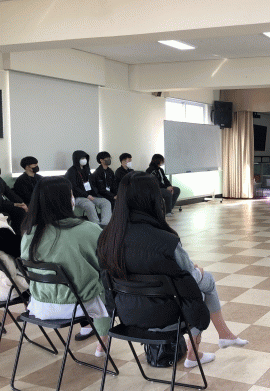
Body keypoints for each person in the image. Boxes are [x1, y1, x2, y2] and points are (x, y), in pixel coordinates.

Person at [97, 172, 247, 367]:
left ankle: (218, 339)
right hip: (166, 317)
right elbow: (189, 281)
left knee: (195, 285)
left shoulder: (106, 239)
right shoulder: (166, 241)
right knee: (204, 284)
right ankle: (199, 350)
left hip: (127, 315)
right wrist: (197, 272)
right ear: (154, 200)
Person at [20, 177, 110, 357]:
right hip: (79, 305)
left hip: (39, 306)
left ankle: (93, 331)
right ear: (65, 200)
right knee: (106, 282)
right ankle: (102, 341)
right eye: (71, 194)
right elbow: (107, 264)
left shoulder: (29, 233)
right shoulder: (88, 229)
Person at [65, 150, 112, 226]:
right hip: (78, 197)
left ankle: (105, 225)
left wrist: (96, 194)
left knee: (106, 202)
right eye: (82, 158)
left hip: (90, 196)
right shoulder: (71, 171)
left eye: (85, 158)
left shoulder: (87, 169)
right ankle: (96, 226)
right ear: (77, 159)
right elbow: (74, 188)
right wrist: (86, 195)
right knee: (89, 205)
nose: (84, 160)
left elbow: (91, 184)